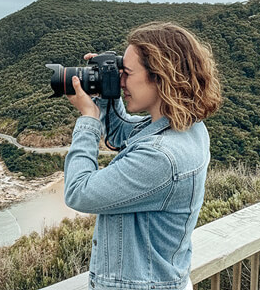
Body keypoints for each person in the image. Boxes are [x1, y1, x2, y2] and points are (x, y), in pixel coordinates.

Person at [63, 21, 222, 290]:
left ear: (159, 75)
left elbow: (78, 192)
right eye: (119, 73)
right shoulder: (188, 128)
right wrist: (107, 91)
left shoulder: (162, 157)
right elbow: (121, 134)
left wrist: (88, 119)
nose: (122, 81)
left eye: (127, 73)